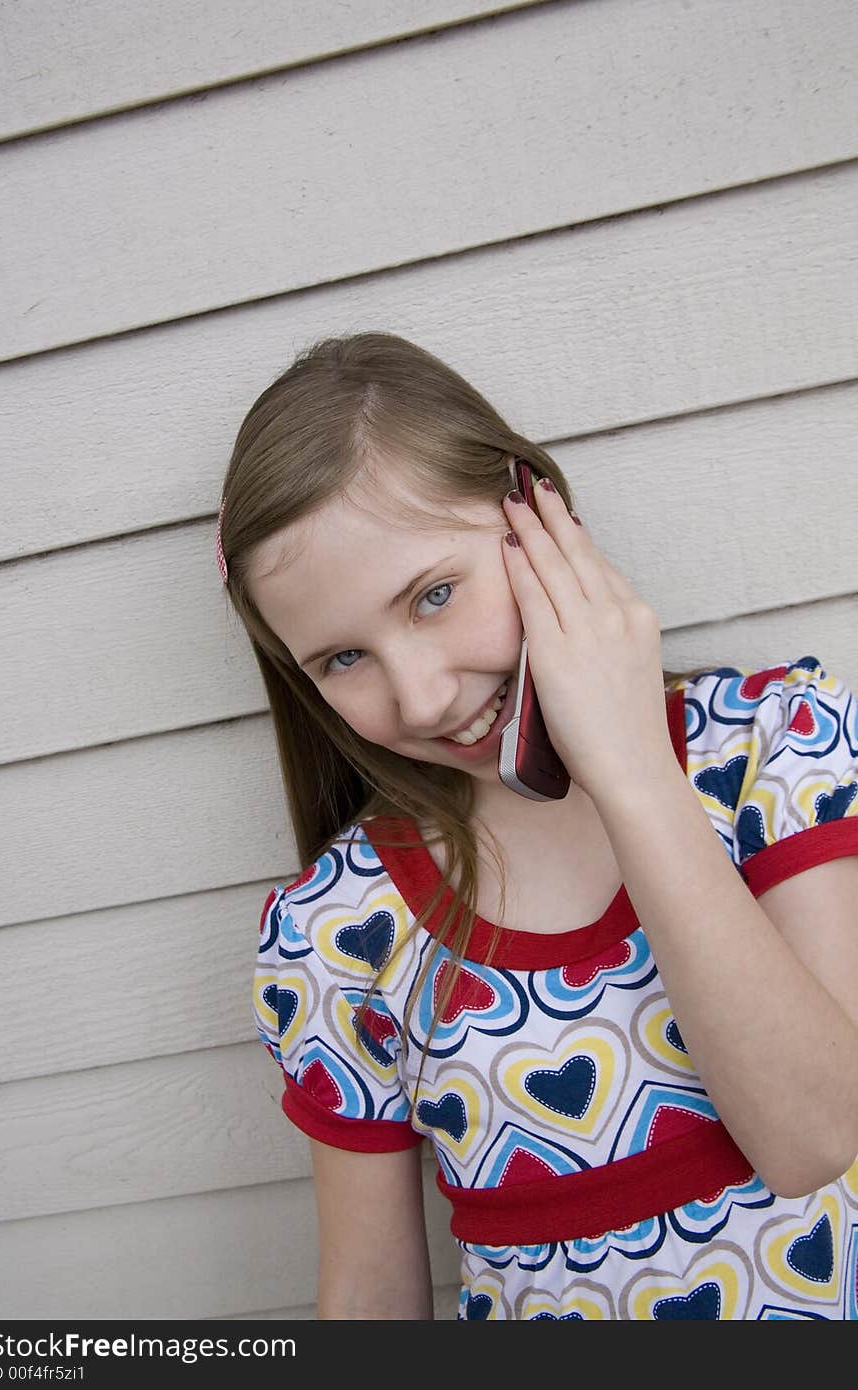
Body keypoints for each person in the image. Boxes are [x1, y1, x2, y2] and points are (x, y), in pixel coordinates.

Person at [217, 332, 858, 1320]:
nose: (423, 695)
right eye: (342, 658)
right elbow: (369, 1295)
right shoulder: (338, 934)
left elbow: (812, 1135)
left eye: (434, 595)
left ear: (537, 515)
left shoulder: (769, 751)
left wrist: (632, 772)